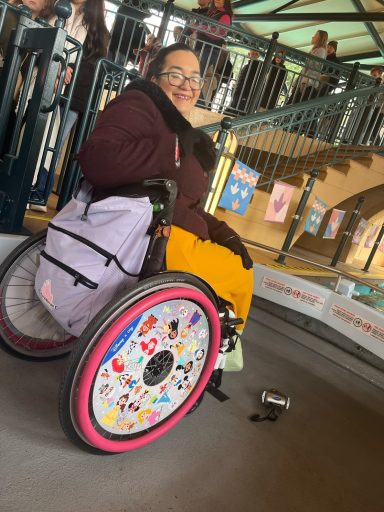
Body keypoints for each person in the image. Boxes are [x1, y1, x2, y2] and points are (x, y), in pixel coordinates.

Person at [78, 43, 254, 330]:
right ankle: (220, 350)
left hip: (167, 232)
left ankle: (213, 341)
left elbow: (186, 203)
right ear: (154, 79)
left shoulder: (180, 128)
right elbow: (97, 161)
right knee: (238, 275)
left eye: (195, 78)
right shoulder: (137, 104)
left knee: (239, 260)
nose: (187, 85)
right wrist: (173, 146)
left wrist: (226, 233)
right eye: (176, 75)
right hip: (145, 236)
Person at [288, 30, 328, 104]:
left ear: (320, 38)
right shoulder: (314, 50)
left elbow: (315, 67)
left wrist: (305, 81)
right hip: (304, 82)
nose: (313, 37)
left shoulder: (321, 50)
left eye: (315, 35)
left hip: (308, 84)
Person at [195, 0, 233, 76]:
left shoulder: (225, 16)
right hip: (201, 47)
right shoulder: (212, 12)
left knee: (197, 73)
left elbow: (218, 33)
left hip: (209, 50)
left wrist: (201, 28)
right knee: (195, 71)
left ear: (225, 2)